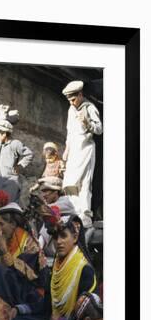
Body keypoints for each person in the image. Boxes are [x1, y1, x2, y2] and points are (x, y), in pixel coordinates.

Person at [0, 191, 48, 320]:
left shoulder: (29, 244)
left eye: (2, 224)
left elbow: (26, 274)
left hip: (31, 292)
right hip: (14, 285)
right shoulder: (10, 236)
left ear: (13, 224)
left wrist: (3, 252)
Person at [62, 80, 103, 228]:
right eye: (69, 100)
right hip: (74, 149)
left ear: (80, 94)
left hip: (86, 148)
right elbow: (69, 132)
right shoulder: (71, 110)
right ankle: (72, 210)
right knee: (71, 181)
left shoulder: (90, 107)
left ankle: (84, 216)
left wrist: (87, 123)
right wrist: (66, 150)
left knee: (84, 182)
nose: (72, 103)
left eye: (73, 99)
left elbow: (99, 129)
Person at [0, 116, 33, 202]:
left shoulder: (15, 144)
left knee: (7, 206)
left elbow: (29, 154)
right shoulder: (0, 143)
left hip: (10, 182)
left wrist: (20, 166)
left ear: (4, 134)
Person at [32, 176, 76, 263]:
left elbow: (46, 210)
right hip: (52, 247)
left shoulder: (65, 203)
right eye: (42, 191)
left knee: (51, 219)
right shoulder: (50, 204)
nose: (43, 195)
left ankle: (38, 249)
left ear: (55, 192)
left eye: (46, 191)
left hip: (63, 246)